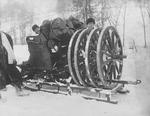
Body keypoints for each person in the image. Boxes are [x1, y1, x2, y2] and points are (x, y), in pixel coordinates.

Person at [0, 32, 29, 101]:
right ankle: (18, 90)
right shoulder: (4, 35)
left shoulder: (4, 36)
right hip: (5, 59)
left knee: (12, 73)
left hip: (6, 58)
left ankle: (18, 90)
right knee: (11, 73)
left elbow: (8, 48)